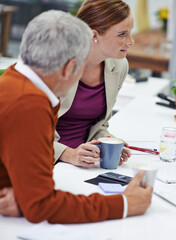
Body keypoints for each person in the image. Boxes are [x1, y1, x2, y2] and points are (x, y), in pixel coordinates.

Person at [0, 10, 152, 223]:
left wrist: (25, 197)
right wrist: (125, 204)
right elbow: (41, 205)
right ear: (70, 68)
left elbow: (33, 191)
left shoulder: (16, 79)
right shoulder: (29, 105)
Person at [55, 0, 134, 167]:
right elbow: (26, 130)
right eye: (122, 34)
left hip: (84, 163)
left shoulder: (118, 67)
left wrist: (108, 142)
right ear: (94, 36)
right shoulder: (53, 64)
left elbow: (99, 124)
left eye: (130, 33)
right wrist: (68, 154)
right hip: (43, 160)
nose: (131, 41)